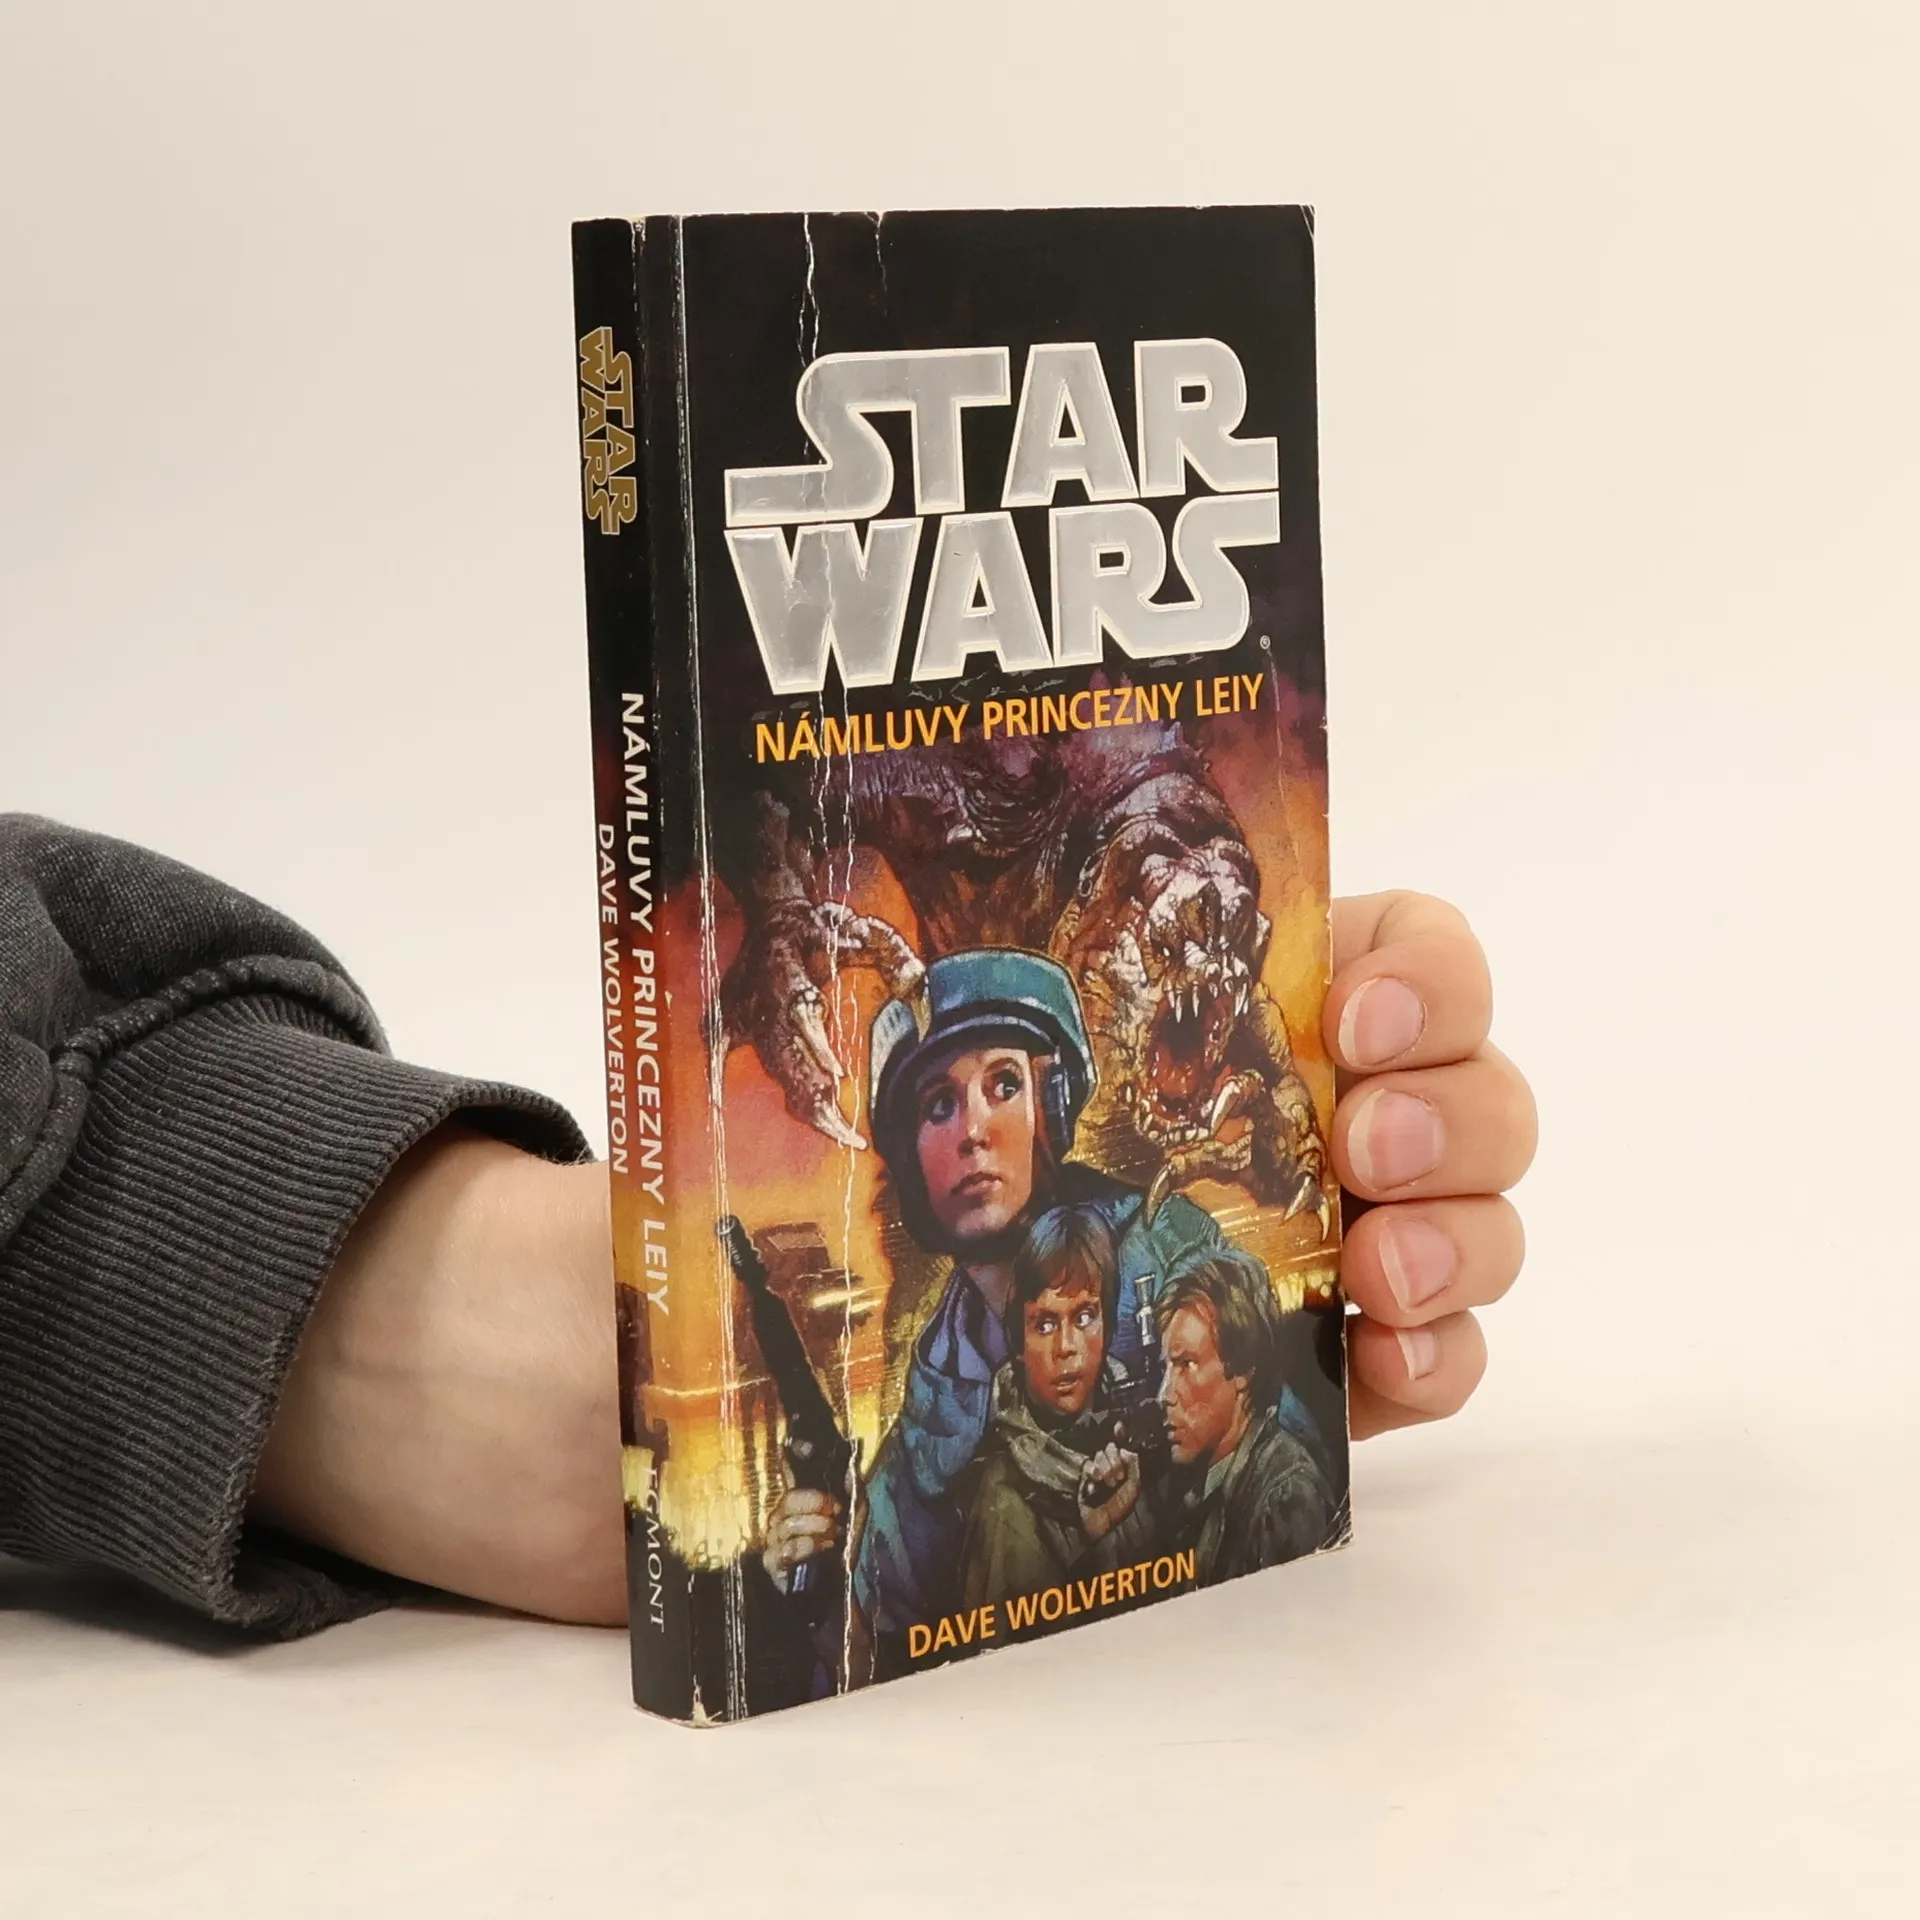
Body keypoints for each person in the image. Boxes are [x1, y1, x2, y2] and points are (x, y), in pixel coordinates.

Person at [0, 813, 1536, 1640]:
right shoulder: (934, 1358)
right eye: (936, 1101)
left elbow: (1257, 1449)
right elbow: (890, 1567)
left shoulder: (1170, 1254)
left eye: (1004, 1086)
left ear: (1061, 1104)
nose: (970, 1128)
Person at [956, 1204, 1152, 1612]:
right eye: (1045, 1325)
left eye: (1085, 1317)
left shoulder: (1141, 1437)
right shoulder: (1003, 1501)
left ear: (1108, 1328)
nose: (1066, 1347)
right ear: (1020, 1342)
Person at [1155, 1248, 1340, 1584]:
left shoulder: (1287, 1495)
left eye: (1186, 1364)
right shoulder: (1203, 1484)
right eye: (1166, 1367)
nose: (1164, 1395)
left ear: (1242, 1369)